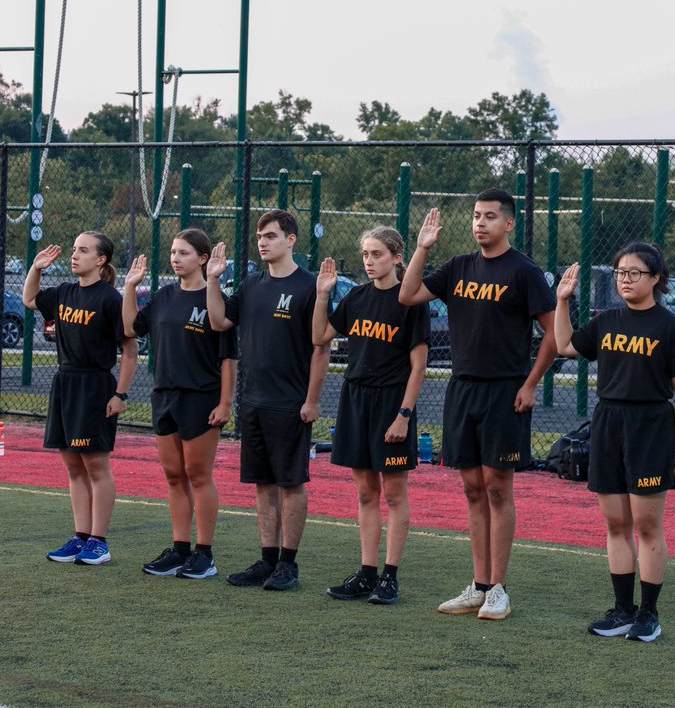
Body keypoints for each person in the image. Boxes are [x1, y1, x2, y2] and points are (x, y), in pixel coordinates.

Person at [399, 188, 557, 620]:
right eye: (475, 216)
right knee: (472, 488)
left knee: (497, 487)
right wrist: (422, 248)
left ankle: (499, 588)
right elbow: (408, 295)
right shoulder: (458, 267)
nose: (480, 223)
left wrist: (531, 384)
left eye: (489, 216)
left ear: (508, 223)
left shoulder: (524, 272)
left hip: (505, 391)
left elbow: (555, 334)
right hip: (462, 389)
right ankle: (480, 585)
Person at [554, 245, 675, 643]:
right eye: (620, 272)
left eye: (635, 273)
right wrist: (562, 301)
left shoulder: (670, 327)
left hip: (650, 427)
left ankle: (649, 614)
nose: (625, 279)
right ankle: (622, 610)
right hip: (608, 424)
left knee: (647, 525)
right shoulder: (606, 321)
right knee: (616, 524)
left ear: (656, 278)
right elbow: (565, 346)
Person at [205, 209, 330, 592]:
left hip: (290, 402)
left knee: (290, 484)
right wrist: (213, 280)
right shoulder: (252, 284)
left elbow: (321, 347)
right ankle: (267, 560)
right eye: (260, 236)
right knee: (263, 484)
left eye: (271, 235)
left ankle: (288, 565)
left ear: (291, 240)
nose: (263, 242)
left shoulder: (309, 286)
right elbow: (219, 321)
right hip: (254, 401)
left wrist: (312, 400)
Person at [313, 227, 430, 606]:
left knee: (394, 494)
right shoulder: (357, 298)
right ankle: (366, 574)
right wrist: (322, 294)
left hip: (390, 404)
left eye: (377, 254)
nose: (369, 261)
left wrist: (404, 415)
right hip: (355, 401)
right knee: (365, 492)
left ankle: (389, 577)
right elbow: (320, 336)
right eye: (365, 254)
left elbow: (419, 368)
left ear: (397, 257)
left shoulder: (410, 301)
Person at [124, 229, 237, 580]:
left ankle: (205, 554)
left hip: (200, 398)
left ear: (202, 259)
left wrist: (225, 403)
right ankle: (180, 549)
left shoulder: (215, 299)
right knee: (174, 476)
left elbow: (228, 359)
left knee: (198, 475)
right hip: (164, 396)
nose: (175, 258)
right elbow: (131, 328)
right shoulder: (164, 296)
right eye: (173, 252)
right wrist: (129, 287)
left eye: (184, 253)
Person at [25, 232, 138, 566]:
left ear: (101, 260)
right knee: (73, 466)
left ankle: (99, 542)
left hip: (95, 386)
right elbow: (30, 299)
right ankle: (80, 537)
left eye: (83, 250)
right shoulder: (64, 292)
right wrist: (36, 268)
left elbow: (130, 351)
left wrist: (120, 394)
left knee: (95, 466)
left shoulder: (110, 299)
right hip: (65, 383)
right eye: (74, 249)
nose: (75, 255)